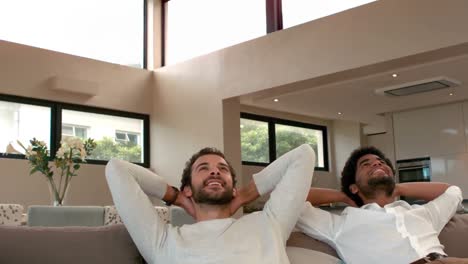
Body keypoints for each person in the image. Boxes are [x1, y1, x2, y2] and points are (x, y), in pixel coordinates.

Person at [105, 144, 315, 264]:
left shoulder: (269, 223)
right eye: (203, 168)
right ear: (187, 188)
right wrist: (175, 197)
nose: (215, 171)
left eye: (222, 169)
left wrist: (245, 195)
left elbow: (303, 155)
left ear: (233, 188)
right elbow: (116, 169)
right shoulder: (163, 241)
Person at [296, 146, 467, 264]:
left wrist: (397, 187)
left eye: (381, 162)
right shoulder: (341, 224)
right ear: (354, 187)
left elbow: (453, 192)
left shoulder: (423, 213)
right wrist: (344, 196)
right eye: (366, 164)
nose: (377, 163)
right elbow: (291, 200)